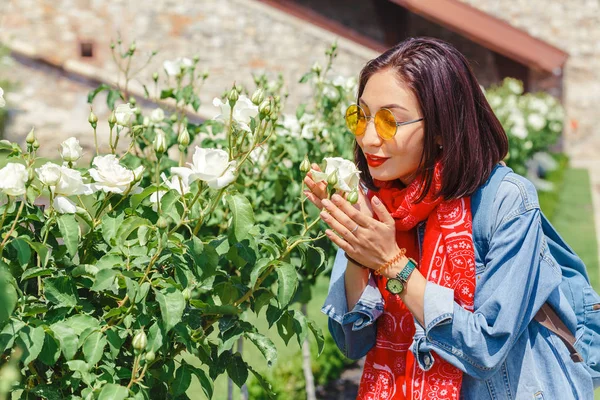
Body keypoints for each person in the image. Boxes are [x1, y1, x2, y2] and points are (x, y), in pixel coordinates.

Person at [303, 37, 594, 399]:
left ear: (442, 129)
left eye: (389, 121)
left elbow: (485, 348)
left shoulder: (505, 201)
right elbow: (352, 341)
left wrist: (392, 263)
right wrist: (355, 246)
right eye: (360, 116)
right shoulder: (373, 201)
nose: (369, 138)